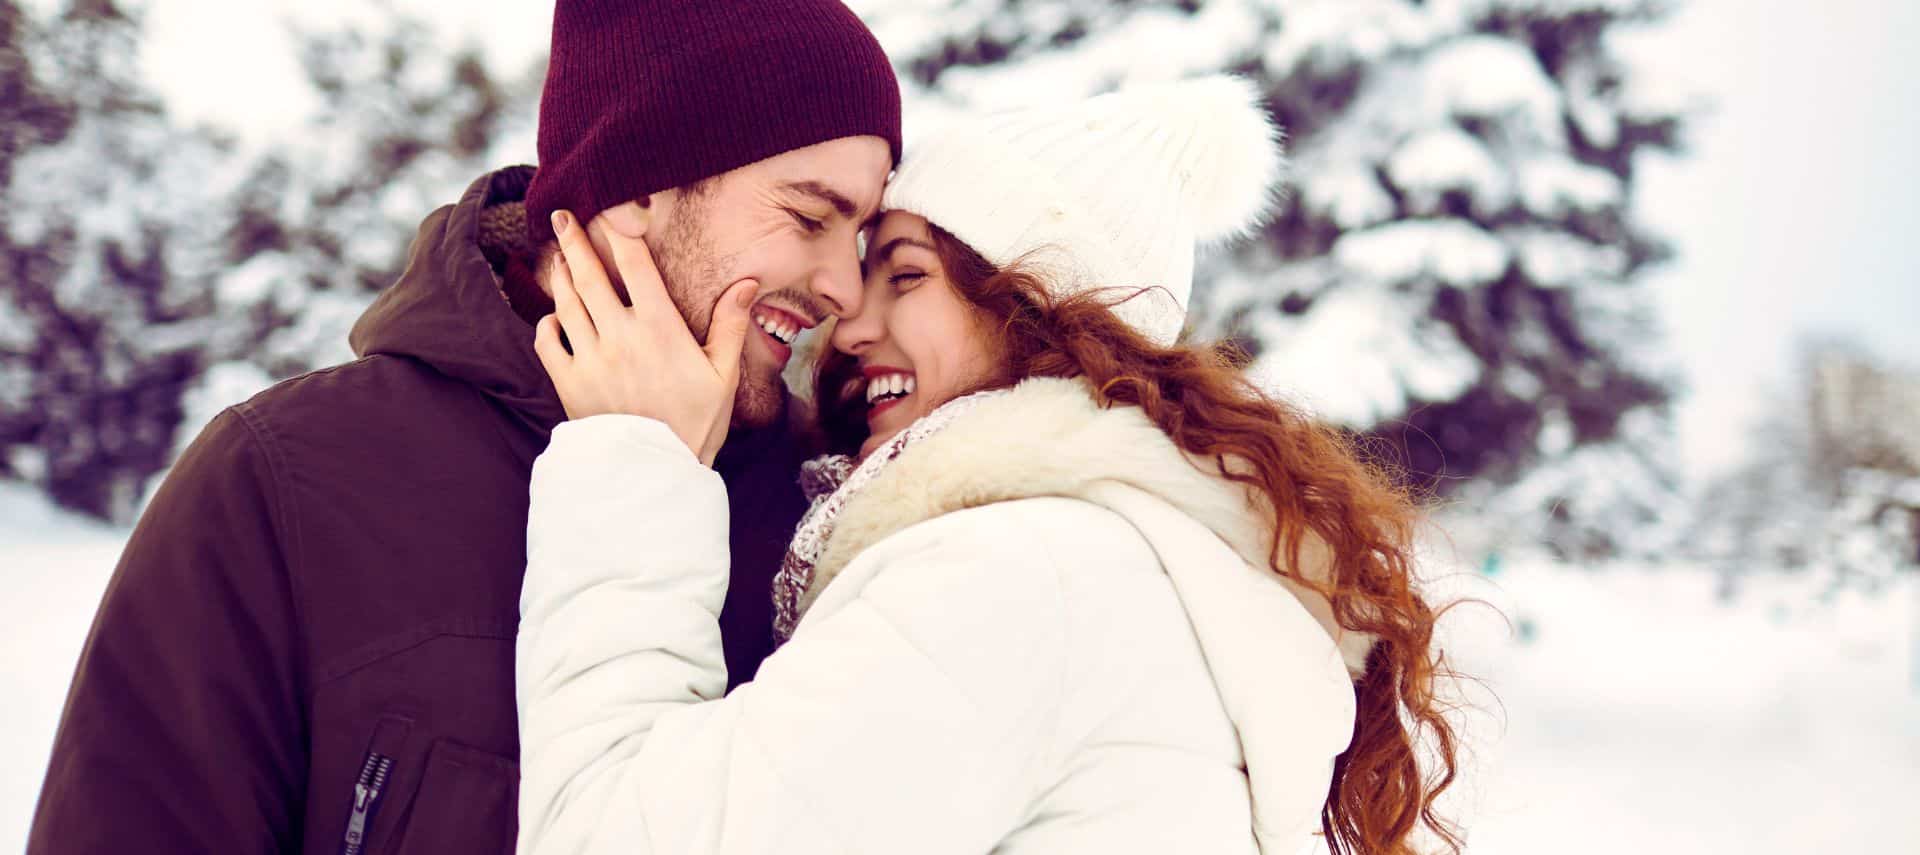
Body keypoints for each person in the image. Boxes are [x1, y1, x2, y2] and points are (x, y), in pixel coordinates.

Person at [26, 2, 900, 853]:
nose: (844, 288)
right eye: (809, 217)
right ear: (638, 190)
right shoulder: (284, 482)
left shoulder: (831, 512)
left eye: (859, 232)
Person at [514, 76, 1464, 855]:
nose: (852, 320)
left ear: (1044, 317)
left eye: (909, 275)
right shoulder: (1120, 562)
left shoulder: (1018, 577)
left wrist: (633, 459)